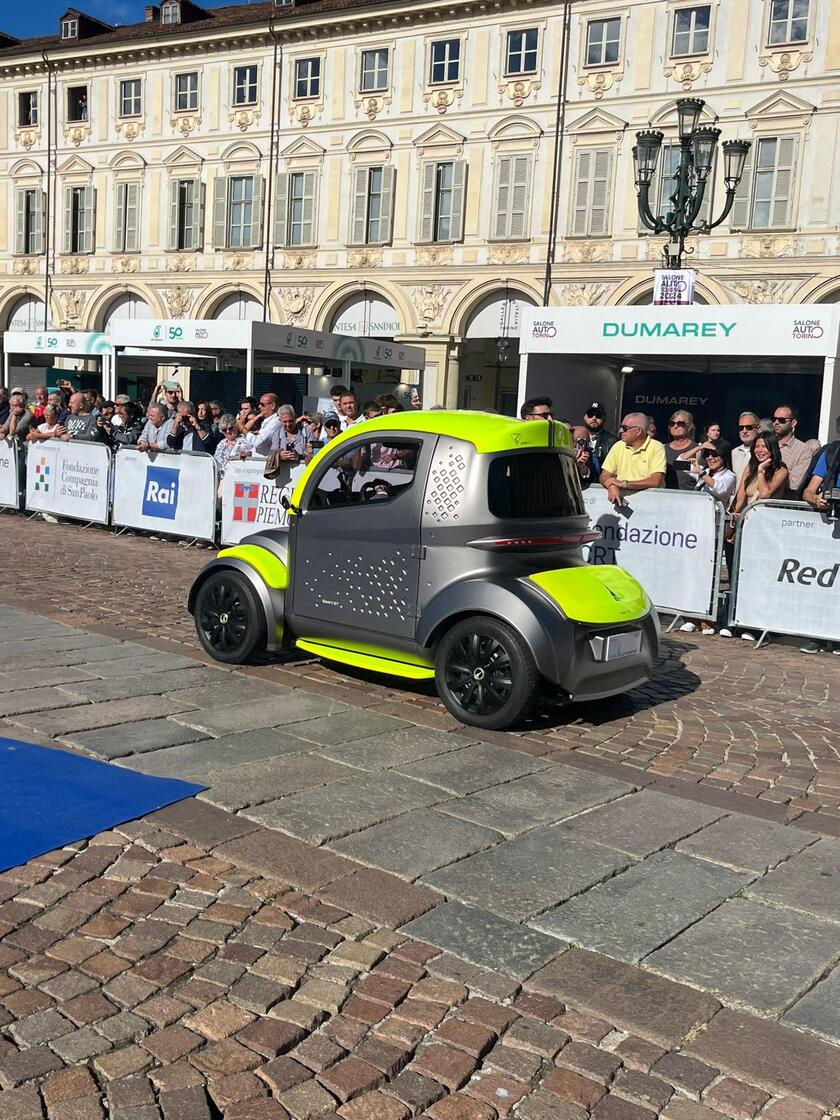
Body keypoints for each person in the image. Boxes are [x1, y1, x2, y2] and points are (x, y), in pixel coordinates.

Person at [599, 412, 666, 506]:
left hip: (650, 504)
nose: (620, 431)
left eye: (625, 428)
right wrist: (611, 485)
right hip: (621, 504)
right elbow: (604, 475)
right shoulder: (618, 446)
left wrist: (623, 484)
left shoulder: (656, 447)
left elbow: (655, 481)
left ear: (638, 431)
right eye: (621, 427)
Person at [771, 405, 812, 497]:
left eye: (781, 420)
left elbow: (794, 484)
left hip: (781, 505)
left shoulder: (803, 450)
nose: (776, 422)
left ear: (793, 423)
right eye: (774, 419)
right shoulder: (764, 445)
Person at [664, 410, 699, 490]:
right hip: (665, 494)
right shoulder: (662, 449)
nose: (675, 426)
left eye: (680, 423)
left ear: (689, 427)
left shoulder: (698, 450)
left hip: (690, 496)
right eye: (672, 424)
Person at [732, 411, 759, 488]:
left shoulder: (763, 452)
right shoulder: (733, 452)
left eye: (749, 427)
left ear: (758, 428)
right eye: (741, 428)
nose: (744, 431)